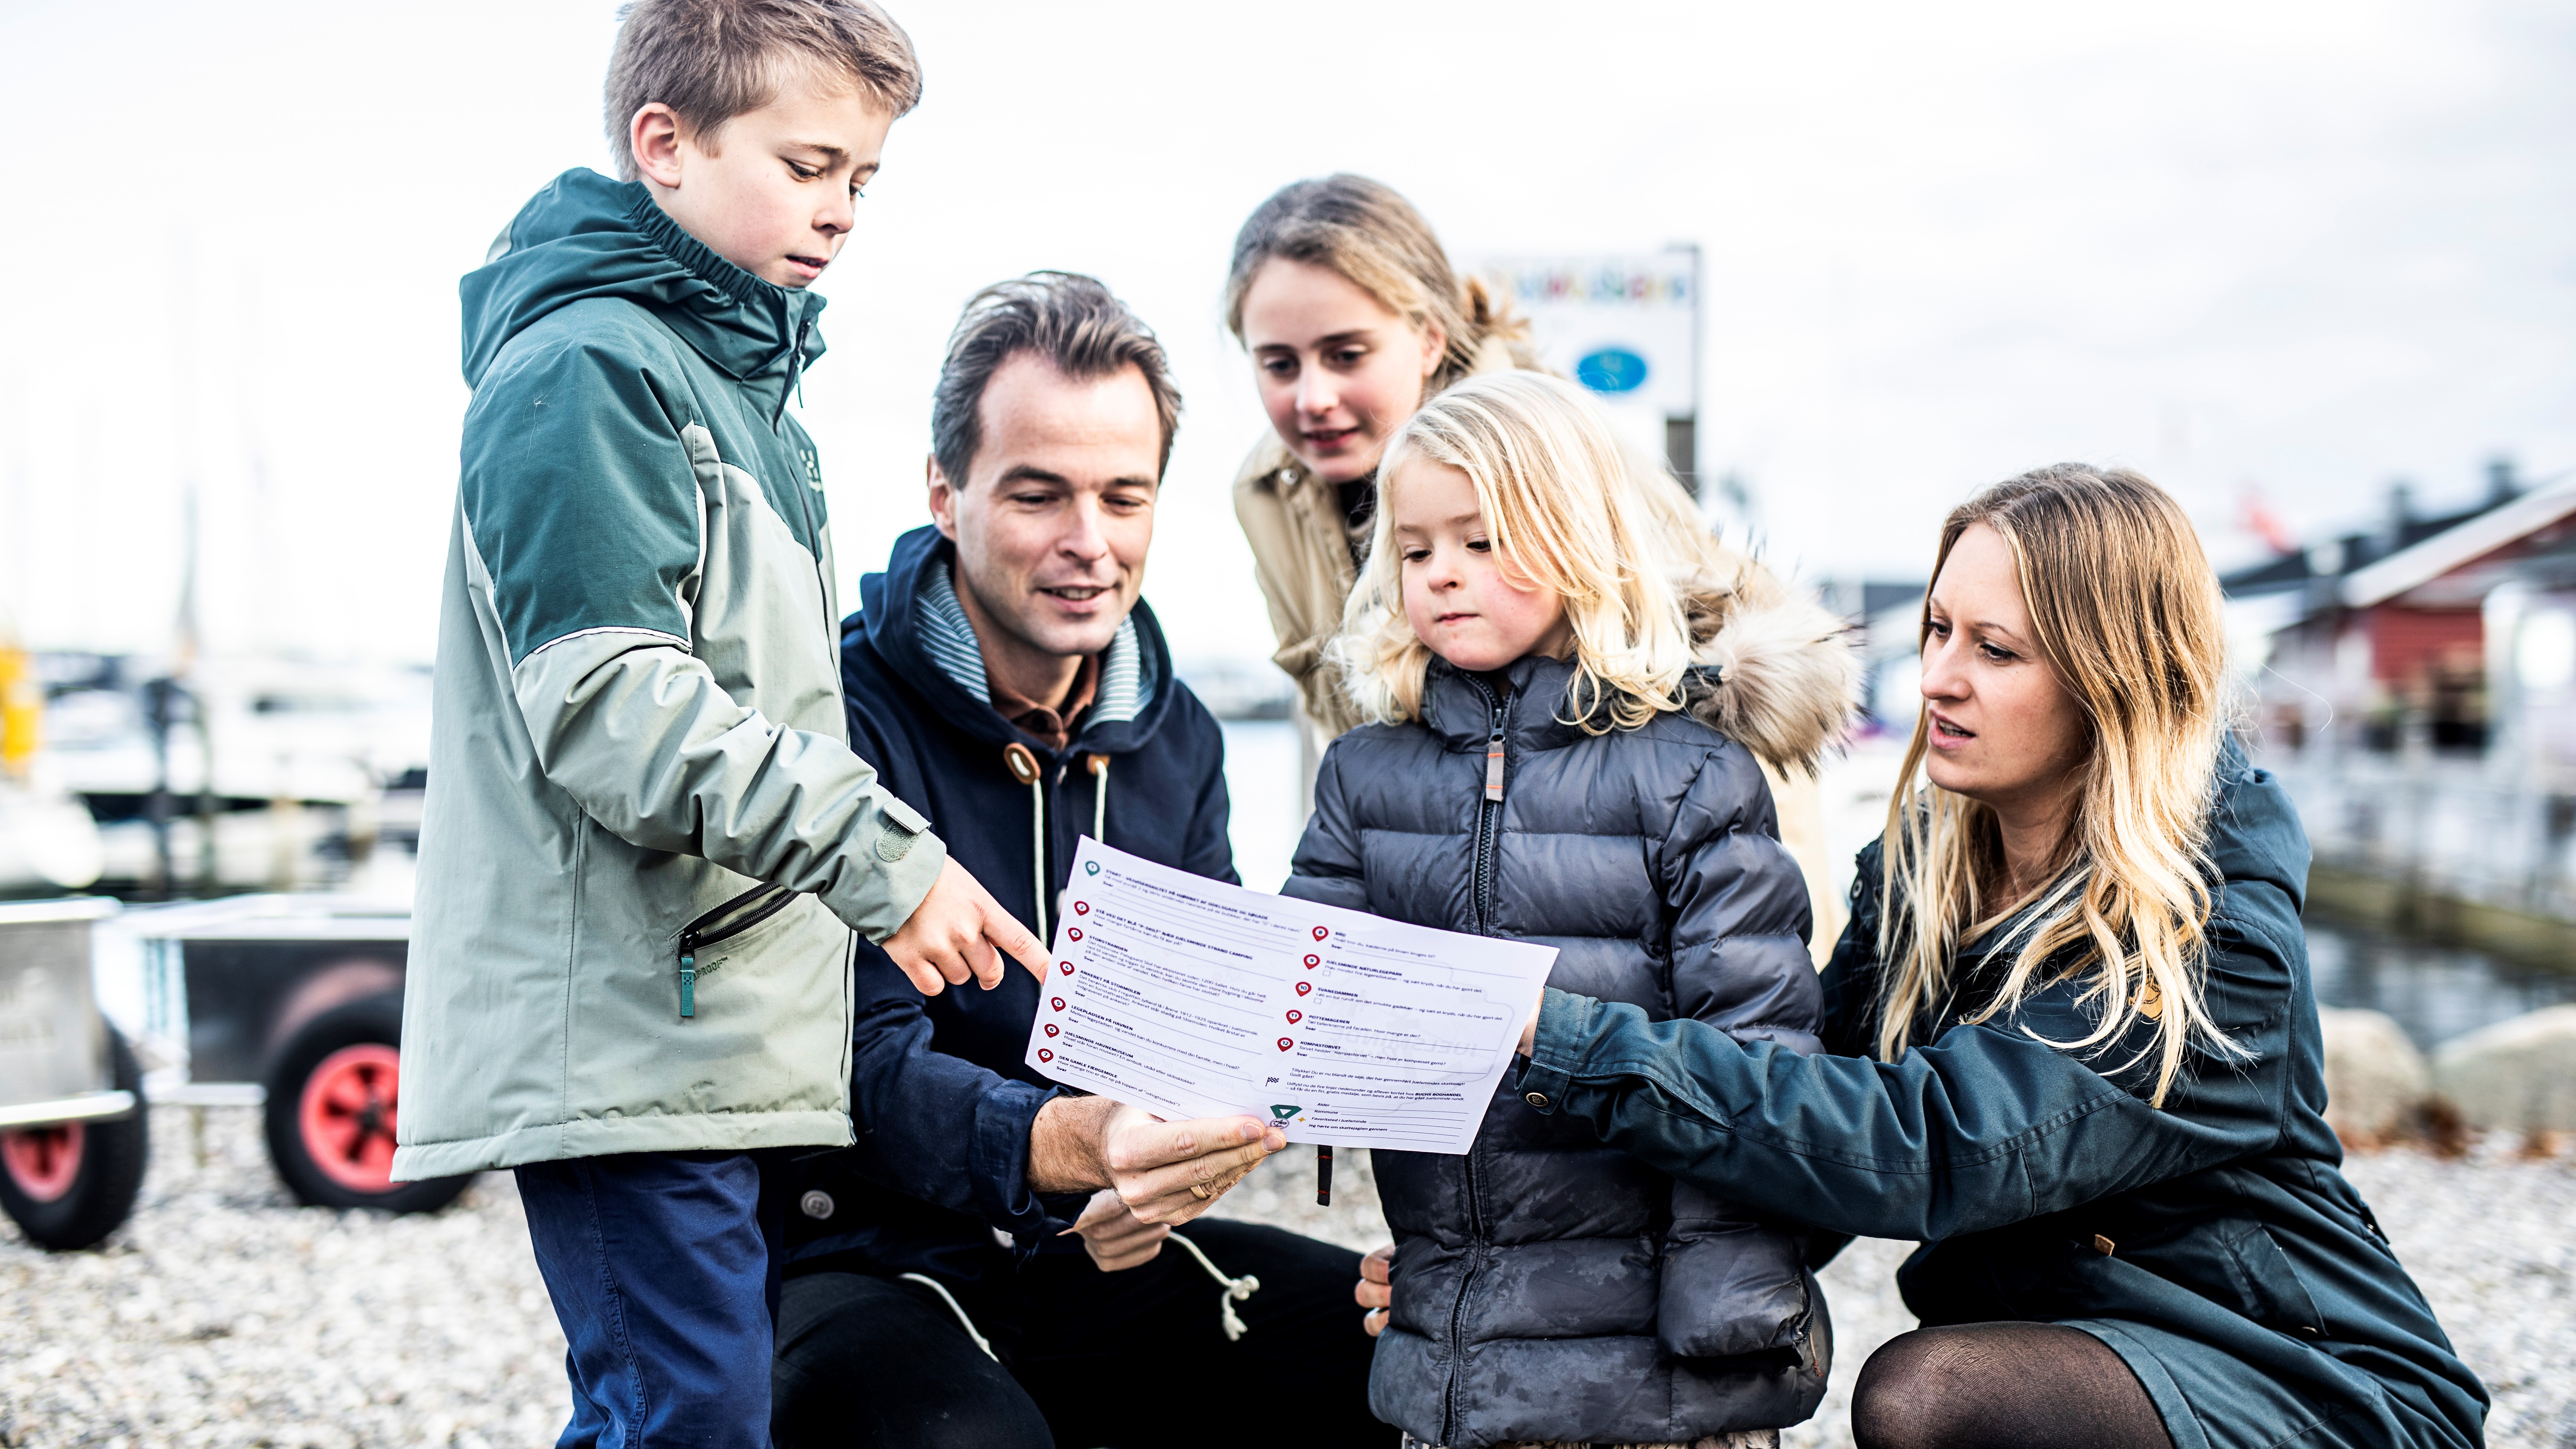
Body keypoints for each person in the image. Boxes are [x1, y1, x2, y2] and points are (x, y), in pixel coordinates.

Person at [1496, 465, 2489, 1449]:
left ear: (2115, 677)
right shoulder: (1930, 880)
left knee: (1928, 1395)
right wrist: (1508, 1282)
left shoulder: (2217, 947)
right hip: (2095, 1358)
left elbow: (1930, 1146)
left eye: (1997, 649)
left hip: (2324, 1389)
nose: (1936, 678)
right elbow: (1799, 1121)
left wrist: (1585, 1046)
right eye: (1937, 629)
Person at [391, 6, 1053, 1446]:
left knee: (692, 1409)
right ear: (664, 144)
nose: (842, 210)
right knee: (685, 1416)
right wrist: (891, 862)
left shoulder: (747, 395)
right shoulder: (586, 368)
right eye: (811, 163)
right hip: (620, 1036)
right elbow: (612, 705)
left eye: (866, 179)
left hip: (703, 1032)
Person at [771, 273, 1387, 1449]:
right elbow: (853, 1073)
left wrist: (1181, 1161)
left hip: (1096, 1236)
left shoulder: (1181, 734)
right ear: (947, 496)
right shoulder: (837, 722)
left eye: (1124, 496)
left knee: (1389, 1362)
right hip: (861, 1253)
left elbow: (1205, 1036)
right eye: (1040, 494)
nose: (1089, 544)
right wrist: (1076, 1149)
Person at [1284, 371, 1858, 1449]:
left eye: (1486, 539)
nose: (1444, 572)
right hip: (1453, 1351)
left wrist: (1730, 1320)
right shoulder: (1364, 777)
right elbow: (1302, 1001)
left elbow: (1757, 1064)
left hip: (1662, 1364)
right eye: (1416, 550)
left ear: (1583, 539)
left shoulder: (1692, 779)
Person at [1223, 173, 1852, 951]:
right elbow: (1342, 723)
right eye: (1279, 365)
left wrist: (1789, 952)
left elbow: (1721, 700)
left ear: (1427, 336)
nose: (1312, 397)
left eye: (1346, 354)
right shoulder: (1269, 493)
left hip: (1632, 893)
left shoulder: (1557, 450)